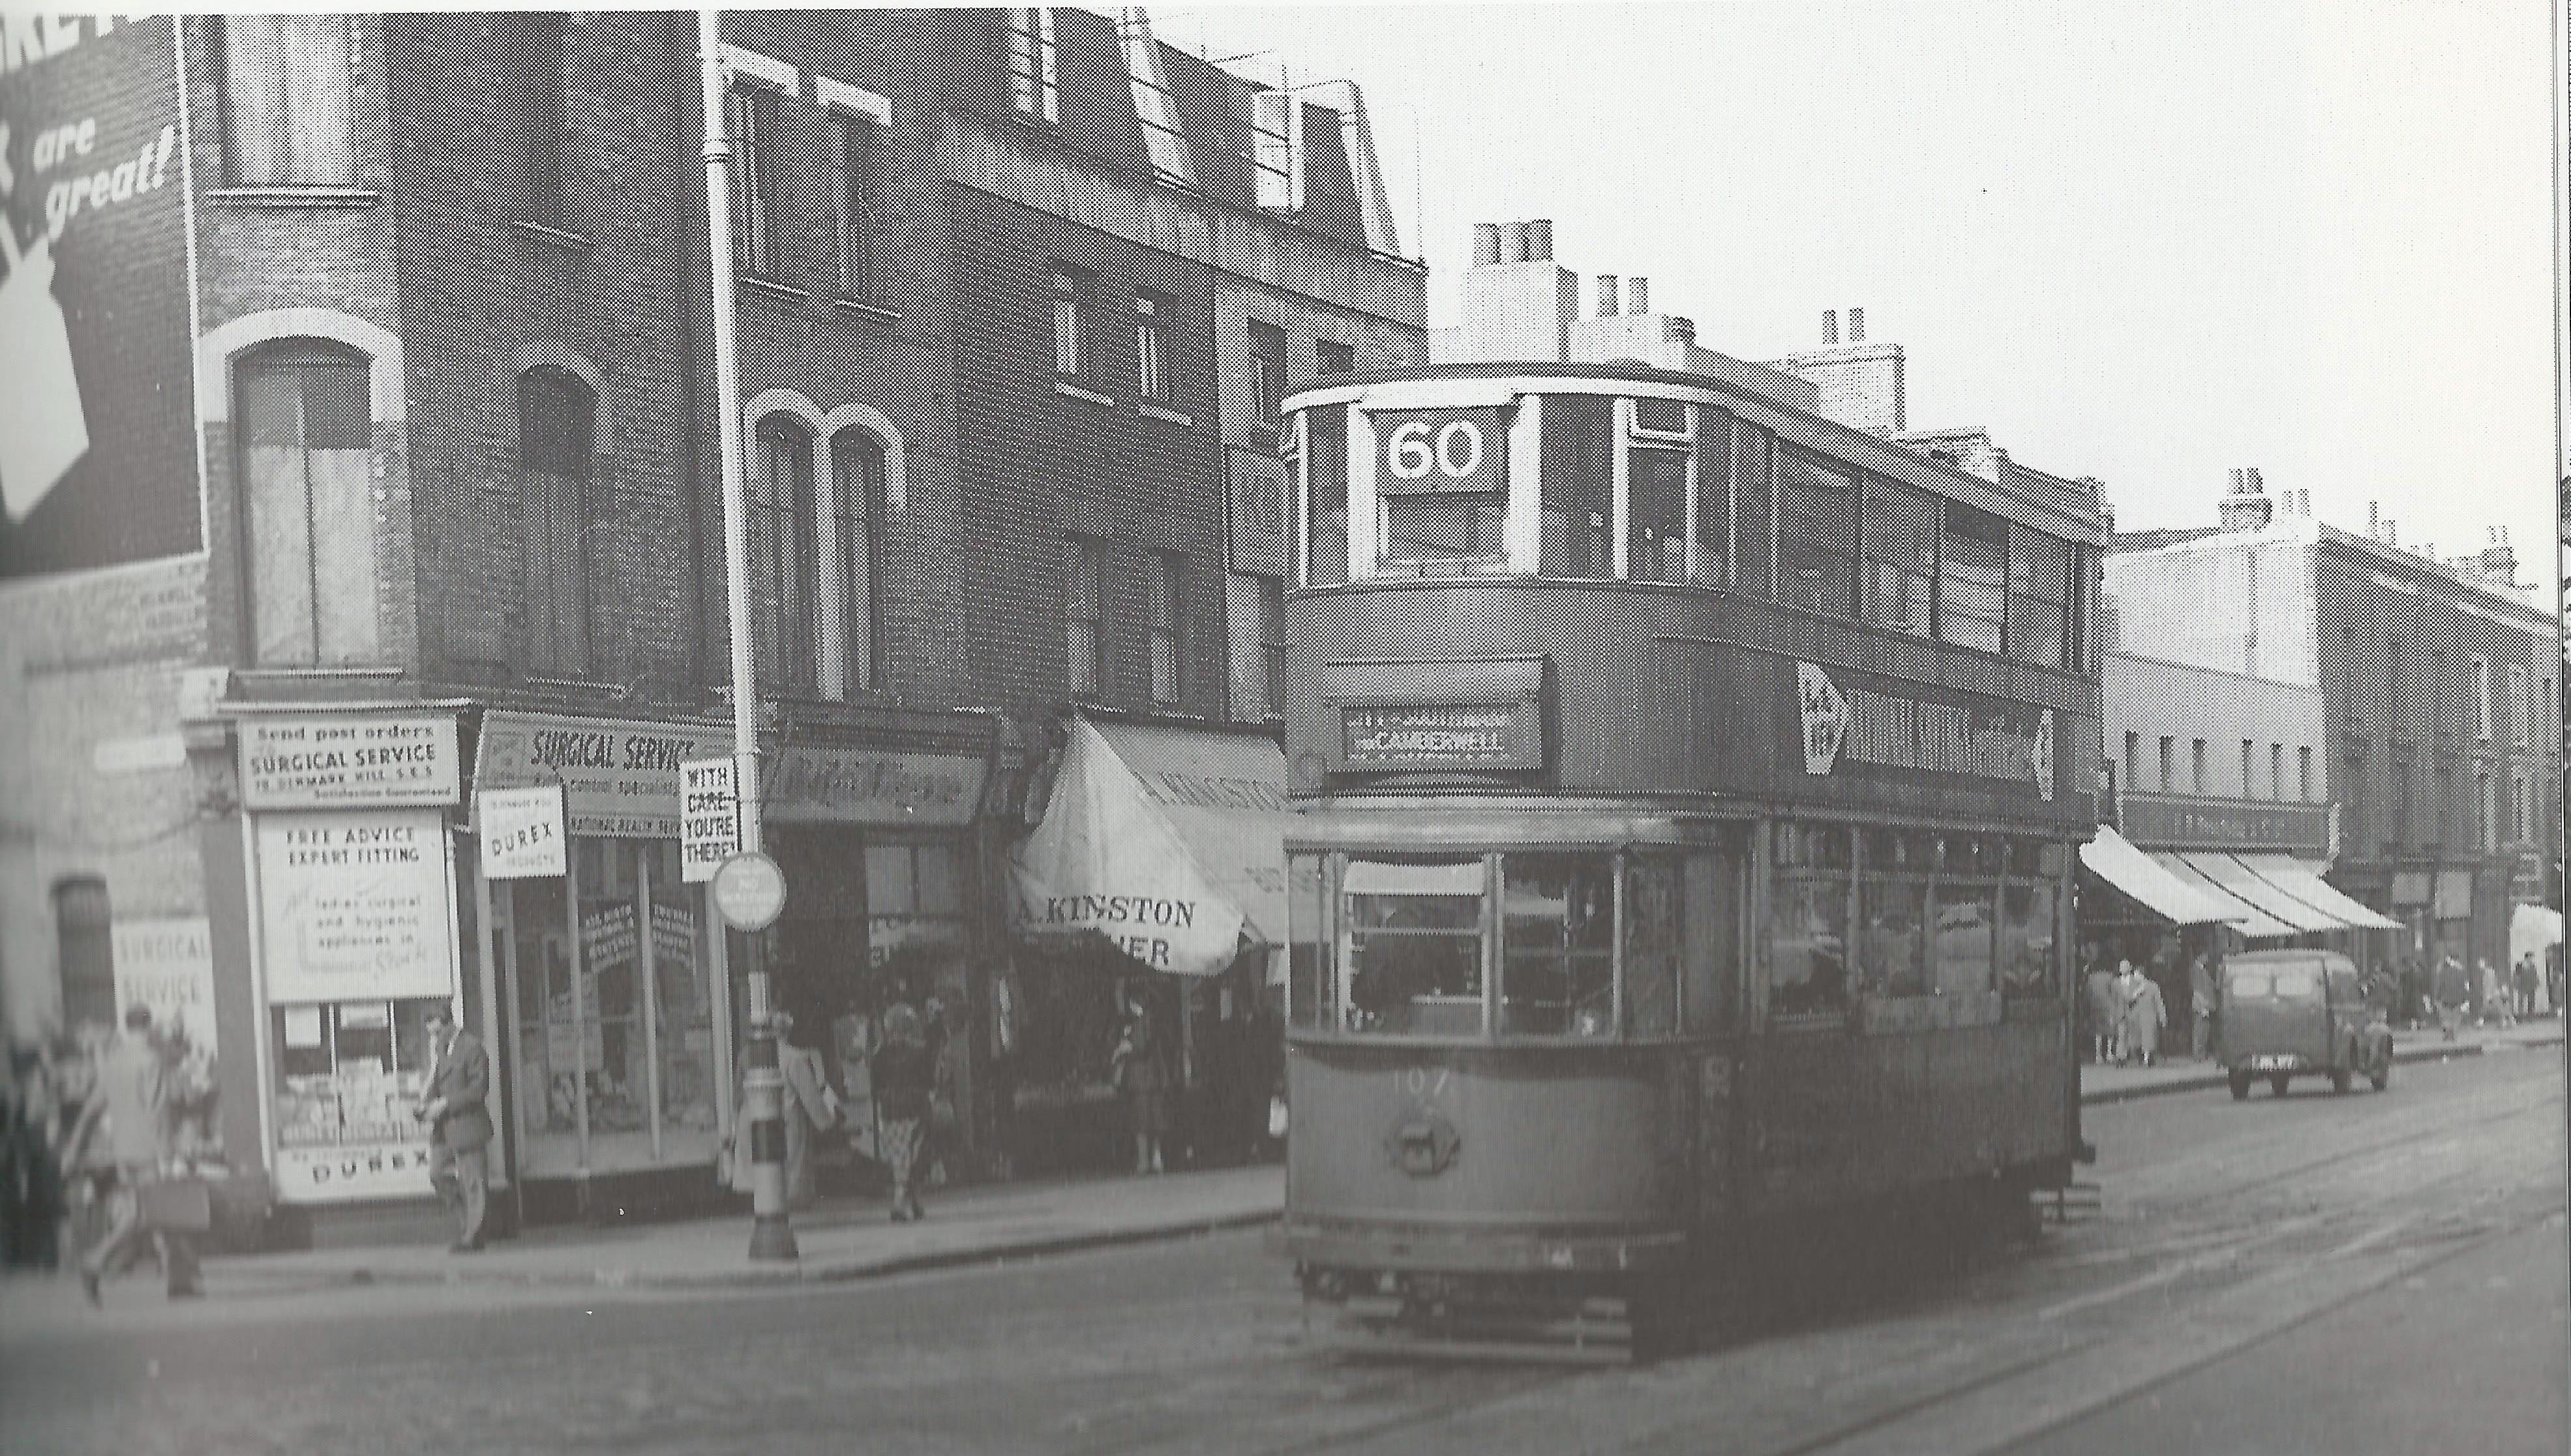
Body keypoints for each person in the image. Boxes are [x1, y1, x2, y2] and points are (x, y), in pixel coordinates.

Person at [63, 1005, 200, 1303]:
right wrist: (167, 1154)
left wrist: (74, 1147)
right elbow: (158, 1111)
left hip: (123, 1152)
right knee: (146, 1213)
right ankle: (95, 1262)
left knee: (155, 1212)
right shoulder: (151, 1061)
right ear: (148, 1026)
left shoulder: (114, 1062)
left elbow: (91, 1109)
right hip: (149, 1150)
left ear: (127, 1027)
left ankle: (180, 1281)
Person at [416, 1007, 493, 1254]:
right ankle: (467, 1226)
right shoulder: (440, 1048)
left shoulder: (472, 1047)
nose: (434, 1038)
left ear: (446, 1024)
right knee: (437, 1173)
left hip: (467, 1124)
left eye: (437, 1032)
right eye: (430, 1034)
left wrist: (447, 1103)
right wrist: (425, 1105)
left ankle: (472, 1236)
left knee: (473, 1183)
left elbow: (479, 1090)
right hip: (444, 1128)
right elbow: (438, 1082)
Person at [871, 1003, 934, 1222]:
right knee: (914, 1153)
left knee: (900, 1154)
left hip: (890, 1108)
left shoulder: (880, 1054)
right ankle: (901, 1202)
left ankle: (914, 1202)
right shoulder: (920, 1051)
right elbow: (928, 1081)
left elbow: (876, 1082)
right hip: (914, 1107)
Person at [1111, 1000, 1169, 1174]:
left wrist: (1125, 1048)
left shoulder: (1140, 1022)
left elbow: (1141, 1047)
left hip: (1141, 1080)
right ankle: (1156, 1159)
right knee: (1154, 1119)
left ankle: (1145, 1161)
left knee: (1142, 1121)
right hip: (1153, 1079)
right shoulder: (1151, 1021)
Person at [2118, 960, 2165, 1068]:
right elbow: (2128, 1000)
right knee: (2136, 1039)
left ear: (2142, 975)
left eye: (2137, 975)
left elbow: (2159, 1002)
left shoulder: (2153, 986)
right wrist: (2135, 994)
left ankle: (2147, 1058)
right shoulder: (2135, 987)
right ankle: (2142, 1057)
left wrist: (2162, 1016)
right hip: (2136, 1017)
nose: (2135, 977)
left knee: (2148, 1038)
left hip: (2149, 1015)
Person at [2084, 954, 2120, 1064]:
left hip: (2095, 1006)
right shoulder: (2110, 977)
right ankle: (2109, 1053)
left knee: (2098, 1032)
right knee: (2110, 1032)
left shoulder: (2091, 978)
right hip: (2109, 1006)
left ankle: (2098, 1055)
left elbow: (2088, 993)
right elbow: (2115, 992)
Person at [2188, 949, 2219, 1062]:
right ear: (2200, 956)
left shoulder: (2203, 970)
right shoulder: (2196, 970)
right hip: (2202, 1006)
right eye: (2205, 955)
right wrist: (2202, 1007)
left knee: (2205, 1031)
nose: (2207, 958)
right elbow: (2197, 991)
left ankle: (2202, 1054)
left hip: (2207, 1005)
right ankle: (2198, 1055)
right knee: (2200, 1031)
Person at [2433, 955, 2471, 1042]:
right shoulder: (2462, 973)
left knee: (2446, 1017)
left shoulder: (2444, 972)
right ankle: (2453, 1033)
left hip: (2446, 998)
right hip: (2458, 999)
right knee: (2456, 1017)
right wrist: (2466, 999)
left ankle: (2447, 1032)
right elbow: (2465, 987)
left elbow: (2440, 986)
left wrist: (2437, 998)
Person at [2514, 953, 2540, 1020]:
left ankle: (2530, 1017)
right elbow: (2516, 975)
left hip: (2531, 986)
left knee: (2531, 1002)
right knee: (2521, 1002)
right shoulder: (2520, 965)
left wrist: (2536, 983)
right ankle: (2520, 1017)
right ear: (2527, 958)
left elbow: (2535, 975)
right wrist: (2517, 985)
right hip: (2522, 986)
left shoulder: (2533, 966)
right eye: (2531, 958)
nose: (2532, 959)